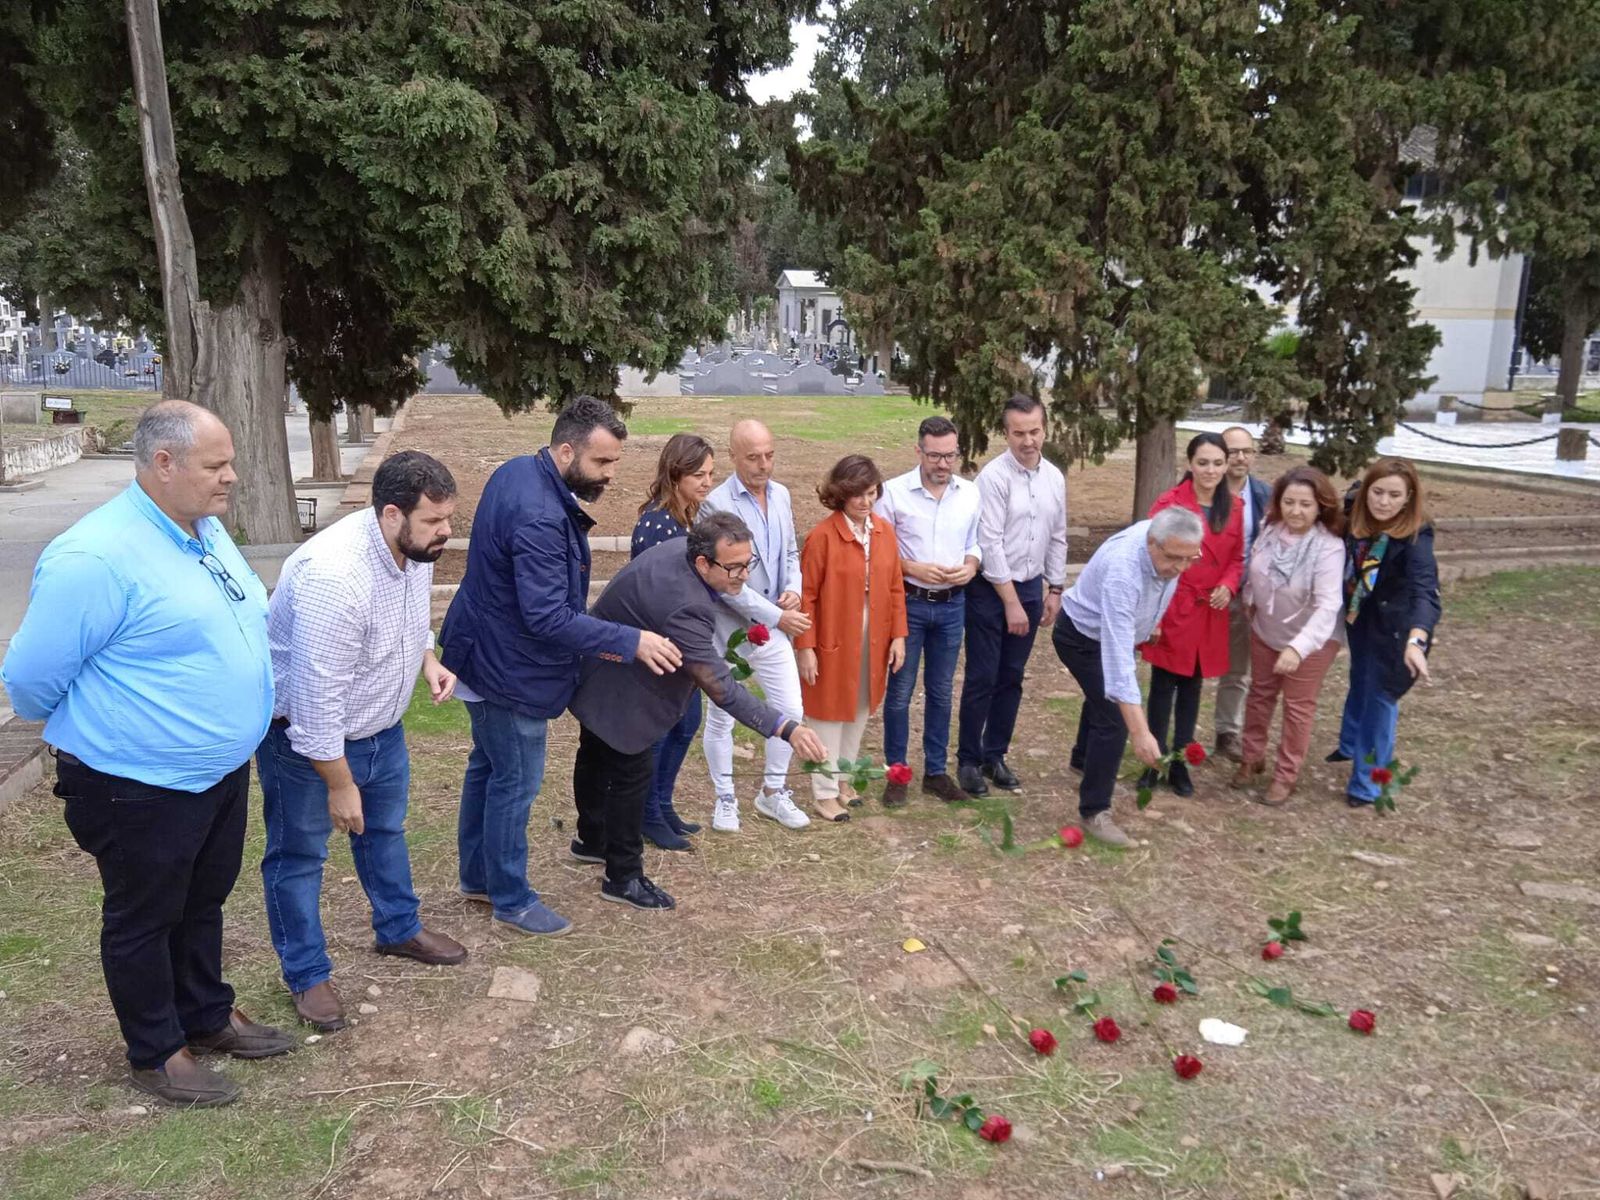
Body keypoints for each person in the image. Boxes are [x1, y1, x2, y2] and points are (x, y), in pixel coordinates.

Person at [1, 400, 292, 1107]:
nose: (232, 477)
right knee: (144, 915)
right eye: (216, 465)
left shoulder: (203, 529)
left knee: (203, 901)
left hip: (216, 772)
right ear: (163, 464)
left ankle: (206, 1013)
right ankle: (157, 1050)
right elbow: (30, 681)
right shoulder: (95, 557)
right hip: (136, 783)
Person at [439, 397, 683, 938]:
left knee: (489, 768)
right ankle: (510, 897)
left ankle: (478, 876)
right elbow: (549, 618)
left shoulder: (520, 472)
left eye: (615, 462)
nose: (611, 475)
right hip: (511, 668)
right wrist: (631, 640)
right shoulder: (541, 516)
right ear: (567, 450)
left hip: (483, 649)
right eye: (602, 463)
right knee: (515, 783)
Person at [258, 451, 468, 1034]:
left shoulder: (411, 546)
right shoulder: (334, 577)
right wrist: (340, 782)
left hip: (381, 729)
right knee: (299, 857)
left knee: (385, 832)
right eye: (434, 522)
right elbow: (316, 699)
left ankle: (398, 928)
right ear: (391, 514)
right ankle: (305, 972)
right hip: (306, 743)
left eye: (449, 519)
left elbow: (407, 612)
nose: (445, 533)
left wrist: (426, 656)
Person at [568, 513, 832, 907]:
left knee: (594, 754)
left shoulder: (682, 549)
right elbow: (721, 687)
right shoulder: (687, 606)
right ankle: (623, 877)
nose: (744, 575)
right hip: (623, 685)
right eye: (735, 567)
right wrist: (785, 727)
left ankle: (592, 839)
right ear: (703, 562)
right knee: (629, 772)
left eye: (749, 563)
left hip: (598, 665)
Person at [1053, 509, 1206, 846]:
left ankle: (1083, 760)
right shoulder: (1124, 571)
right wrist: (1140, 733)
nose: (1181, 568)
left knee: (1102, 699)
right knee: (1114, 716)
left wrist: (1151, 620)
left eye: (1190, 558)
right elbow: (1119, 664)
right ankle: (1094, 811)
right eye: (1174, 559)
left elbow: (1162, 583)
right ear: (1153, 543)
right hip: (1079, 637)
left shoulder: (1168, 543)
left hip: (1110, 631)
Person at [699, 419, 812, 833]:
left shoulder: (780, 495)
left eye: (770, 455)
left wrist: (794, 591)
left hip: (775, 625)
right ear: (733, 456)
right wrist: (775, 615)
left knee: (791, 710)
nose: (764, 465)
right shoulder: (715, 504)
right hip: (729, 630)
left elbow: (790, 552)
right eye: (753, 457)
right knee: (722, 715)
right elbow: (724, 581)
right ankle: (725, 798)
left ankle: (773, 792)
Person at [958, 394, 1068, 796]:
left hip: (1031, 586)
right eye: (1019, 433)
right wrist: (1010, 602)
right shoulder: (993, 478)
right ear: (1006, 433)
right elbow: (990, 542)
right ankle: (968, 760)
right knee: (983, 676)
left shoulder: (1054, 478)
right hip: (992, 589)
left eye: (1034, 431)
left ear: (1045, 429)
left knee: (1012, 677)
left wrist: (1055, 588)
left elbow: (1057, 535)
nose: (1028, 441)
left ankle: (995, 754)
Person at [795, 456, 909, 821]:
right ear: (840, 494)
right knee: (827, 714)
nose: (865, 501)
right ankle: (824, 791)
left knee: (859, 708)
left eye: (871, 492)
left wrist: (899, 636)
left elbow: (895, 587)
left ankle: (845, 780)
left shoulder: (884, 532)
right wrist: (807, 647)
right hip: (833, 634)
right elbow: (806, 596)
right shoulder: (822, 537)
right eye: (857, 494)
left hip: (874, 635)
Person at [875, 416, 981, 806]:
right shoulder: (894, 493)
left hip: (952, 605)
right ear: (918, 450)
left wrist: (970, 566)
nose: (942, 463)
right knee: (900, 693)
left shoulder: (969, 493)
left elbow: (975, 542)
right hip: (910, 604)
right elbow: (880, 552)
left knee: (940, 692)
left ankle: (936, 772)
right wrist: (912, 567)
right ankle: (897, 773)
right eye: (934, 455)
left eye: (950, 455)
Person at [1230, 467, 1346, 806]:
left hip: (1311, 641)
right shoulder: (1270, 530)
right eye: (1290, 502)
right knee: (1260, 695)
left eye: (1305, 504)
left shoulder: (1329, 548)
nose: (1296, 511)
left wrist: (1297, 648)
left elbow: (1328, 606)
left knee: (1297, 707)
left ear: (1320, 506)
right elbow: (1256, 570)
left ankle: (1286, 775)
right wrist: (1251, 600)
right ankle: (1252, 757)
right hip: (1267, 630)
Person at [1328, 457, 1440, 806]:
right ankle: (1349, 744)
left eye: (1395, 495)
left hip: (1397, 629)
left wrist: (1417, 640)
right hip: (1360, 616)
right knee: (1360, 678)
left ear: (1408, 498)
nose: (1384, 502)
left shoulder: (1416, 535)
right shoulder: (1353, 517)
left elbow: (1426, 592)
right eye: (1378, 492)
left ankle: (1370, 783)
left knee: (1381, 697)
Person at [1139, 432, 1244, 797]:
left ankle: (1182, 762)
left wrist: (1228, 585)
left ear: (1227, 464)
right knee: (1163, 686)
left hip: (1209, 611)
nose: (1211, 470)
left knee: (1193, 688)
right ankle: (1154, 761)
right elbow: (1150, 551)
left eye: (1218, 463)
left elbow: (1236, 557)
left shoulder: (1235, 507)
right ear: (1189, 464)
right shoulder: (1170, 503)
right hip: (1174, 605)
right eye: (1203, 462)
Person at [631, 433, 718, 851]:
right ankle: (647, 812)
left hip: (687, 640)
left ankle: (663, 803)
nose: (707, 482)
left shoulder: (689, 518)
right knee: (664, 730)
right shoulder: (656, 521)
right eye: (699, 474)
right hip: (663, 643)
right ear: (675, 473)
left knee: (687, 725)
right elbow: (652, 587)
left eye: (711, 474)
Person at [1212, 426, 1274, 761]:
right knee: (1188, 668)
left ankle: (1227, 732)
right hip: (1205, 593)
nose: (1240, 457)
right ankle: (1174, 739)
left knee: (1237, 669)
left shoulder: (1267, 495)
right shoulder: (1204, 488)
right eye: (1232, 450)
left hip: (1246, 595)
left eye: (1246, 451)